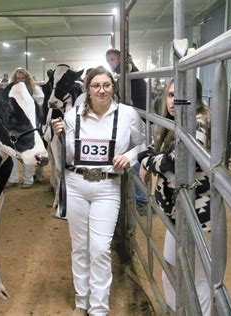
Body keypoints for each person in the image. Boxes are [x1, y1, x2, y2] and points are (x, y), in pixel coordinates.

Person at [51, 66, 145, 315]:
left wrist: (129, 156)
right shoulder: (71, 117)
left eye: (106, 85)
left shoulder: (127, 115)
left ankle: (99, 308)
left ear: (113, 87)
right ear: (88, 89)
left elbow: (142, 144)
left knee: (100, 248)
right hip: (76, 183)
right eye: (96, 86)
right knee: (80, 246)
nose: (101, 90)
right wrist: (57, 137)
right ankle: (82, 301)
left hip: (107, 185)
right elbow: (63, 157)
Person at [138, 78, 211, 314]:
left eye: (179, 95)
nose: (173, 101)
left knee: (197, 275)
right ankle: (175, 310)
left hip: (195, 208)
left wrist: (148, 162)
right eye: (170, 95)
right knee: (170, 265)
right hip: (175, 207)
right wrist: (149, 160)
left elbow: (179, 161)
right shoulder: (170, 123)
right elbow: (150, 150)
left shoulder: (200, 121)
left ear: (194, 97)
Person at [106, 49, 148, 213]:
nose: (111, 63)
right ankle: (138, 198)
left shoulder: (130, 73)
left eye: (113, 59)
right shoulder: (121, 75)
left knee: (136, 160)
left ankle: (142, 200)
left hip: (138, 121)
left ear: (121, 59)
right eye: (108, 60)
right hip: (132, 120)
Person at [7, 67, 45, 188]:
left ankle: (28, 180)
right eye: (18, 78)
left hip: (30, 127)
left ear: (27, 78)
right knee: (12, 152)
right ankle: (13, 178)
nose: (20, 80)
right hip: (15, 126)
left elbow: (40, 107)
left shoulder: (36, 90)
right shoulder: (11, 91)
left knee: (28, 152)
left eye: (23, 78)